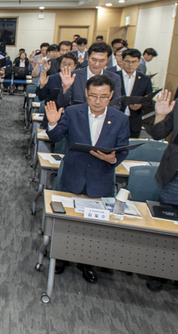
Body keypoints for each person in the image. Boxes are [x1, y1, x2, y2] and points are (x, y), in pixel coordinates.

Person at [45, 75, 130, 284]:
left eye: (103, 96)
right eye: (93, 96)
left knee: (94, 226)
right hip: (73, 175)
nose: (97, 101)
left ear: (111, 96)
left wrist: (114, 158)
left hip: (100, 178)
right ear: (86, 94)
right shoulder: (74, 112)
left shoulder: (120, 119)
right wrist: (52, 123)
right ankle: (62, 258)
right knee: (67, 222)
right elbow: (56, 138)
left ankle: (87, 263)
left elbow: (123, 148)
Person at [145, 89, 178, 291]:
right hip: (177, 176)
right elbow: (158, 134)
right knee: (169, 228)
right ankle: (158, 273)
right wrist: (160, 114)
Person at [55, 42, 122, 109]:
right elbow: (62, 103)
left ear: (107, 60)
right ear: (87, 57)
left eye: (101, 61)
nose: (97, 64)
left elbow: (116, 104)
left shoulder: (114, 78)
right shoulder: (74, 75)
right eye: (94, 59)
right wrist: (65, 88)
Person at [118, 48, 153, 138]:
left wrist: (140, 106)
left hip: (134, 121)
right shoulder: (113, 77)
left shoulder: (145, 80)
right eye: (127, 61)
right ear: (122, 61)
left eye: (134, 62)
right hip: (115, 117)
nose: (130, 65)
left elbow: (149, 101)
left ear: (138, 62)